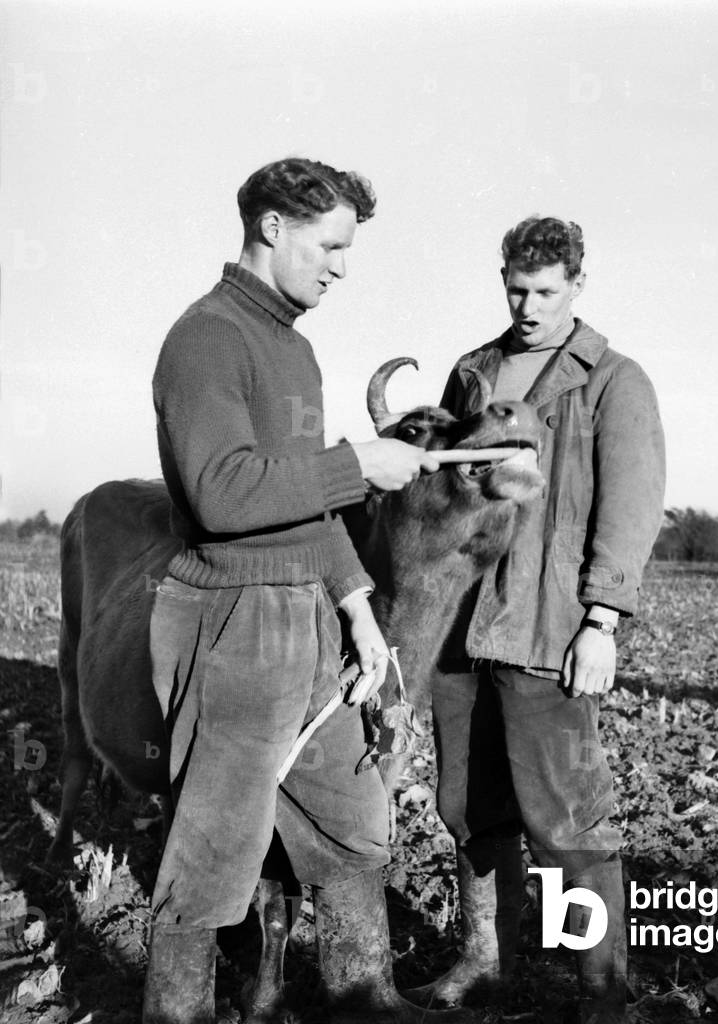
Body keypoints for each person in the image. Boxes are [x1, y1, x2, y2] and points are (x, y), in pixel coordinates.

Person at [145, 157, 457, 1024]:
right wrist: (358, 463)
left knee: (353, 821)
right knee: (211, 854)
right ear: (272, 226)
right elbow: (222, 491)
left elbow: (311, 508)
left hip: (311, 621)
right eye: (330, 245)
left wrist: (357, 607)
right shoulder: (206, 338)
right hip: (233, 622)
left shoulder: (295, 348)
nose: (340, 267)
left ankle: (365, 996)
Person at [407, 216, 665, 1023]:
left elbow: (630, 509)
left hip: (546, 629)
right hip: (458, 628)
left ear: (577, 286)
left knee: (565, 818)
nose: (528, 305)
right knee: (468, 805)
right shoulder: (472, 373)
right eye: (517, 289)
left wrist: (602, 621)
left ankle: (602, 996)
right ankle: (485, 964)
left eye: (546, 292)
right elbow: (442, 493)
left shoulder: (614, 381)